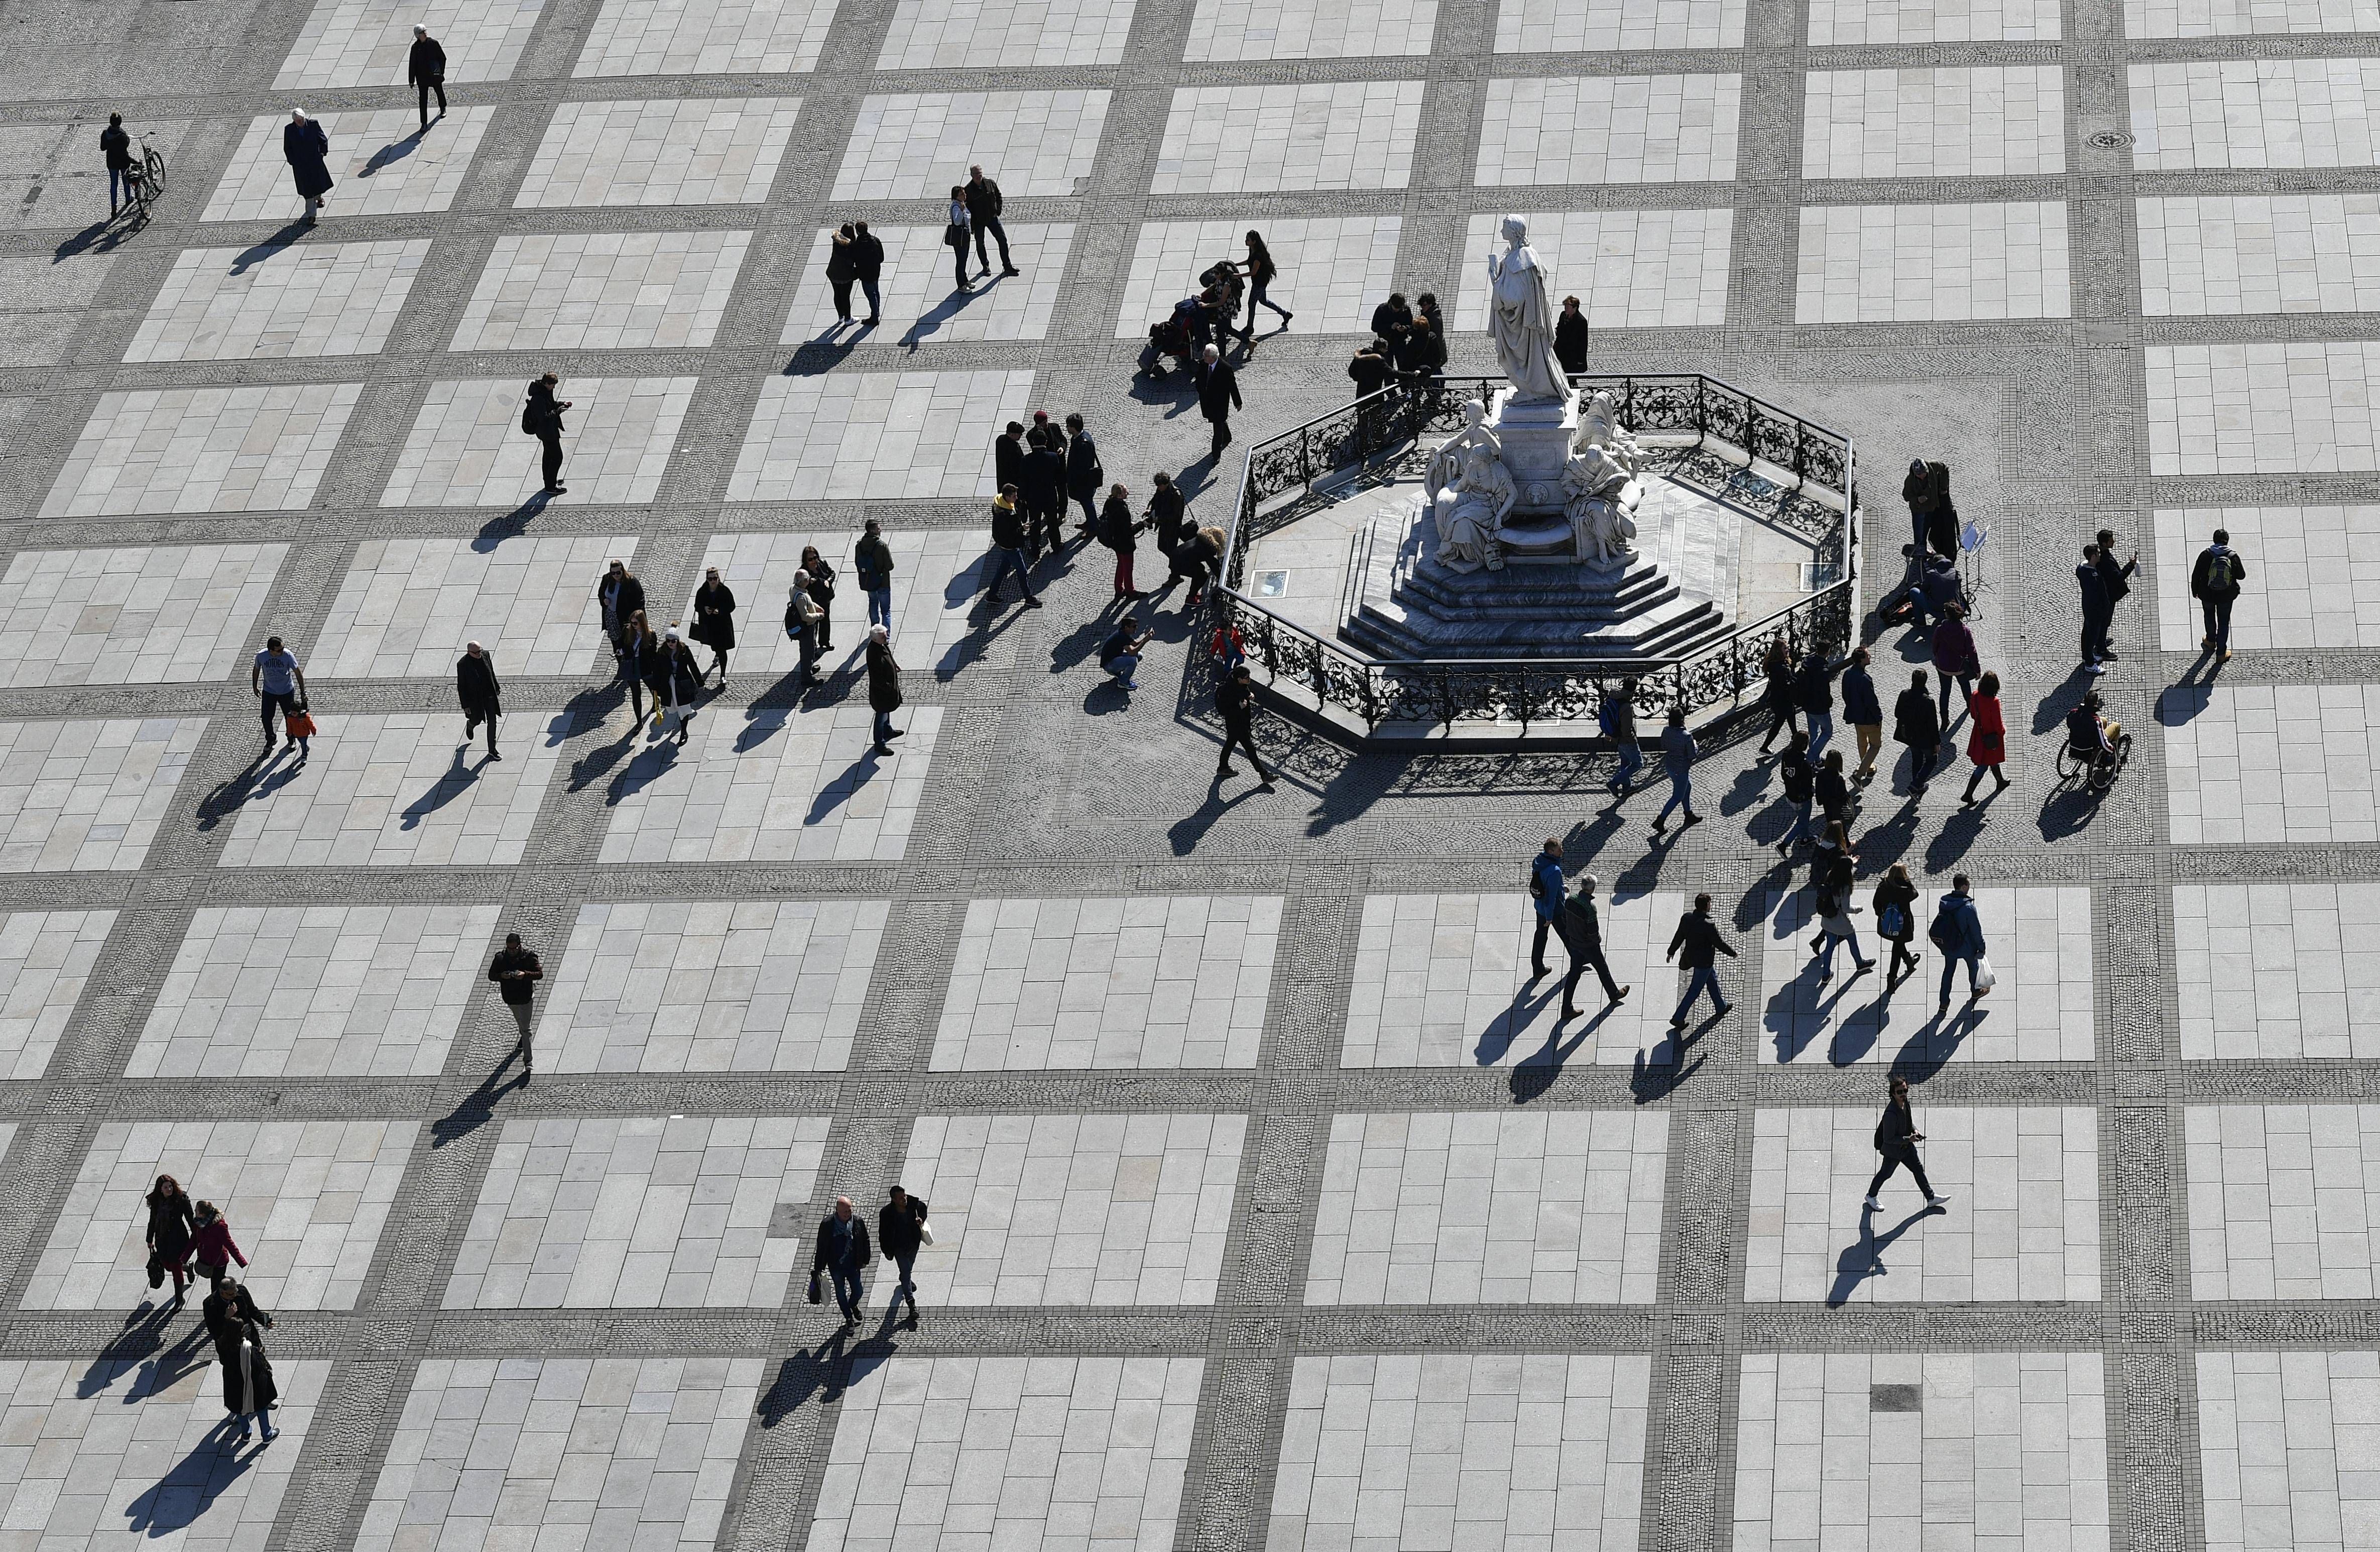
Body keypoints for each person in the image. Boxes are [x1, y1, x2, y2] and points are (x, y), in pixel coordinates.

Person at [1867, 1076, 1950, 1211]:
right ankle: (1871, 1196)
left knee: (1918, 1169)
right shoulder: (1891, 1114)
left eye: (1905, 1090)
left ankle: (1931, 1198)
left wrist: (1915, 1130)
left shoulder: (1905, 1103)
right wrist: (1908, 1139)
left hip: (1907, 1148)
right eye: (1899, 1092)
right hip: (1894, 1152)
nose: (1903, 1094)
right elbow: (1888, 1139)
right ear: (1893, 1094)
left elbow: (1909, 1121)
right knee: (1885, 1174)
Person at [1810, 822, 1874, 982]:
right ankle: (1860, 964)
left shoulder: (1830, 877)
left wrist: (1849, 863)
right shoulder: (1844, 887)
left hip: (1827, 920)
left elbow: (1841, 866)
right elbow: (1846, 908)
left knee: (1830, 946)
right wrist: (1858, 909)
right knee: (1852, 940)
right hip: (1840, 921)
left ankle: (1826, 975)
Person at [1558, 874, 1628, 1017]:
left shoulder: (1570, 900)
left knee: (1574, 975)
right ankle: (1614, 994)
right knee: (1602, 968)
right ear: (1593, 889)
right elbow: (1593, 931)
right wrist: (1598, 940)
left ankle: (1566, 1008)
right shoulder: (1590, 908)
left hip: (1575, 943)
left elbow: (1564, 918)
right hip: (1588, 945)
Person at [1666, 892, 1736, 1027]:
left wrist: (1671, 951)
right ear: (1707, 906)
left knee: (1712, 979)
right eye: (1710, 903)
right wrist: (1732, 953)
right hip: (1704, 962)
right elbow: (1719, 943)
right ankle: (1678, 1017)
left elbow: (1679, 935)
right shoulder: (1708, 925)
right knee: (1695, 990)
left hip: (1693, 957)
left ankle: (1721, 1006)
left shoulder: (1687, 918)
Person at [216, 1298, 280, 1443]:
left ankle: (246, 1434)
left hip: (232, 1382)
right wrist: (260, 1352)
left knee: (239, 1409)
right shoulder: (247, 1347)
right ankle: (267, 1435)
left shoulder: (222, 1343)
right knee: (261, 1407)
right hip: (251, 1381)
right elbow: (257, 1365)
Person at [1928, 873, 1988, 1012]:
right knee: (1973, 967)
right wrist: (1982, 947)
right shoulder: (1969, 908)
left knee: (1948, 971)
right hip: (1966, 946)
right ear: (1964, 886)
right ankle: (1976, 991)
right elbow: (1976, 931)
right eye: (1968, 885)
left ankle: (1944, 1003)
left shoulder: (1944, 902)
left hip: (1949, 945)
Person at [489, 931, 542, 1073]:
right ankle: (523, 1042)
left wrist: (525, 975)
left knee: (526, 1029)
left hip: (526, 998)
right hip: (511, 998)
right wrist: (501, 976)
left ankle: (528, 1060)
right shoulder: (501, 958)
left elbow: (539, 974)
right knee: (521, 1024)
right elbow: (491, 975)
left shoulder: (529, 957)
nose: (511, 951)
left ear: (520, 946)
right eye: (509, 949)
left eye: (514, 949)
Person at [813, 1196, 871, 1324]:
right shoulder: (828, 1225)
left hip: (853, 1264)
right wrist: (818, 1268)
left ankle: (853, 1305)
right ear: (836, 1211)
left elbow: (865, 1240)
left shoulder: (857, 1221)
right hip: (836, 1267)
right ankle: (849, 1317)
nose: (847, 1214)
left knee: (858, 1291)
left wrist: (866, 1259)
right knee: (841, 1291)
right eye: (844, 1212)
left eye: (849, 1211)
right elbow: (821, 1246)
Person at [2192, 527, 2248, 661]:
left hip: (2207, 594)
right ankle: (2221, 654)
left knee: (2209, 615)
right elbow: (2242, 576)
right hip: (2226, 596)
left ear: (2214, 540)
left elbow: (2196, 575)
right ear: (2227, 541)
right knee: (2224, 622)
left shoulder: (2205, 555)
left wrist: (2195, 591)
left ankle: (2210, 641)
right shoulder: (2233, 556)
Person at [145, 1175, 197, 1306]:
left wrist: (197, 1236)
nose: (169, 1189)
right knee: (168, 1266)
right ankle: (187, 1267)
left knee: (175, 1268)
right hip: (162, 1239)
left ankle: (180, 1299)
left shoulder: (181, 1200)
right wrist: (149, 1238)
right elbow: (153, 1221)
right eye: (166, 1187)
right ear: (160, 1189)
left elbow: (190, 1219)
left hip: (178, 1239)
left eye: (170, 1186)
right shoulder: (157, 1201)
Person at [1216, 663, 1271, 787]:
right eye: (1247, 678)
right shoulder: (1228, 691)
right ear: (1239, 679)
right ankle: (1264, 774)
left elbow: (1244, 691)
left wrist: (1249, 694)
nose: (1249, 679)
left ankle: (1223, 767)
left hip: (1242, 722)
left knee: (1230, 743)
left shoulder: (1240, 684)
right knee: (1250, 748)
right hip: (1236, 723)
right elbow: (1225, 709)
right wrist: (1239, 707)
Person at [879, 1185, 928, 1320]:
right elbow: (883, 1234)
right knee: (906, 1271)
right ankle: (911, 1304)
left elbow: (923, 1209)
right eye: (901, 1198)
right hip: (898, 1248)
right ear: (894, 1200)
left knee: (908, 1270)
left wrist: (921, 1219)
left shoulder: (914, 1205)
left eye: (904, 1196)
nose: (904, 1199)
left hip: (913, 1244)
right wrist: (887, 1251)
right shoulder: (886, 1213)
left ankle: (905, 1280)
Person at [987, 485, 1040, 608]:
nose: (1017, 498)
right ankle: (1028, 598)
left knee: (1003, 569)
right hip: (1010, 547)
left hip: (1004, 546)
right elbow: (1009, 533)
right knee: (1022, 571)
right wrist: (1022, 528)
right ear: (1007, 497)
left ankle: (992, 594)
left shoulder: (1001, 505)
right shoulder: (1005, 516)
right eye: (1014, 496)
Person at [1961, 669, 2008, 805]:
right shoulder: (1994, 702)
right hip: (1991, 737)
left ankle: (2000, 782)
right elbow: (1998, 725)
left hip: (1979, 734)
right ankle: (1968, 794)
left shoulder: (1975, 696)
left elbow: (1973, 714)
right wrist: (2003, 732)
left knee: (1991, 760)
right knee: (1983, 765)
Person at [251, 636, 306, 751]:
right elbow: (256, 670)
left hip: (286, 691)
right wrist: (255, 686)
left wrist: (302, 692)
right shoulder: (262, 656)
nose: (282, 651)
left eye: (283, 648)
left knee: (290, 717)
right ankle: (271, 739)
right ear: (271, 651)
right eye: (279, 650)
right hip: (269, 691)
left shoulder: (288, 655)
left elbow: (297, 672)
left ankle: (291, 738)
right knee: (266, 717)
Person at [1651, 706, 1701, 833]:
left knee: (1687, 788)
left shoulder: (1666, 731)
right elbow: (1692, 756)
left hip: (1670, 766)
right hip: (1681, 769)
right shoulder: (1687, 737)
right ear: (1682, 720)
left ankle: (1688, 814)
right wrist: (1695, 745)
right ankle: (1660, 820)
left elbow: (1664, 746)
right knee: (1677, 797)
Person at [1893, 669, 1942, 795]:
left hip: (1910, 736)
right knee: (1932, 760)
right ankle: (1916, 785)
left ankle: (1918, 786)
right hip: (1925, 739)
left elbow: (1897, 713)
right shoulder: (1928, 701)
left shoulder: (1904, 694)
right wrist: (1937, 742)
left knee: (1917, 759)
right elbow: (1933, 724)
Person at [1872, 863, 1921, 986]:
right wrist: (1909, 882)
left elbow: (1876, 904)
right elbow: (1915, 894)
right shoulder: (1905, 888)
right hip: (1902, 924)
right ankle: (1891, 979)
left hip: (1887, 923)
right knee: (1897, 948)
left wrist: (1882, 915)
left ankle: (1909, 962)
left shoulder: (1883, 886)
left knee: (1898, 945)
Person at [965, 164, 1017, 277]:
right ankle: (985, 266)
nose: (979, 176)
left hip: (992, 217)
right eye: (976, 174)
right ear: (971, 175)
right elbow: (968, 209)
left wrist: (998, 210)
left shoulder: (990, 183)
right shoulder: (968, 190)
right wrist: (972, 226)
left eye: (980, 174)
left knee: (1003, 240)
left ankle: (1007, 266)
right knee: (980, 244)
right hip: (978, 222)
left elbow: (998, 196)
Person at [1022, 431, 1068, 557]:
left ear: (1033, 443)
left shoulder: (1026, 460)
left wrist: (1024, 497)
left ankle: (1035, 549)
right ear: (1046, 442)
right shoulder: (1053, 457)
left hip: (1033, 497)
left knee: (1034, 524)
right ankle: (1056, 545)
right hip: (1049, 495)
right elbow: (1059, 477)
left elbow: (1024, 481)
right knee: (1052, 522)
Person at [2093, 528, 2137, 658]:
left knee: (2104, 621)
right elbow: (2118, 577)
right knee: (2105, 621)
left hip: (2105, 593)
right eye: (2111, 540)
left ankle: (2100, 641)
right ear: (2105, 543)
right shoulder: (2105, 560)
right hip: (2108, 596)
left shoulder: (2101, 553)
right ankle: (2101, 649)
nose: (2114, 541)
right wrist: (2131, 565)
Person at [1930, 604, 1976, 727]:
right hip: (1960, 667)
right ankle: (1970, 706)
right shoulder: (1965, 631)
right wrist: (1977, 669)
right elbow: (1972, 651)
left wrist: (1938, 658)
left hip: (1943, 667)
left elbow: (1934, 647)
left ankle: (1945, 720)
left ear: (1948, 615)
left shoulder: (1940, 629)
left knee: (1945, 692)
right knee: (1965, 686)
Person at [1842, 646, 1883, 784]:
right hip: (1869, 719)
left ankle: (1869, 767)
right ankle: (1859, 775)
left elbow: (1845, 695)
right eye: (1867, 656)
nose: (1869, 657)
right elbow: (1871, 701)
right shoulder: (1865, 679)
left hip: (1856, 717)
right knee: (1875, 746)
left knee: (1862, 743)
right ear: (1861, 660)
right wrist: (1878, 717)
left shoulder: (1847, 674)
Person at [283, 108, 332, 223]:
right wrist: (293, 161)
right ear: (294, 120)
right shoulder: (289, 130)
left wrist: (322, 153)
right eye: (297, 121)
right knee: (307, 189)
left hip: (315, 162)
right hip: (301, 165)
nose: (300, 123)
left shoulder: (313, 125)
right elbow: (287, 147)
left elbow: (323, 140)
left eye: (301, 120)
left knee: (318, 184)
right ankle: (311, 215)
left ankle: (318, 198)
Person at [1239, 231, 1291, 338]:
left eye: (1248, 240)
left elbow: (1253, 272)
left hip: (1259, 284)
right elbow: (1249, 261)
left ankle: (1250, 328)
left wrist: (1237, 276)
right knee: (1263, 301)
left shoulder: (1258, 256)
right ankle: (1285, 314)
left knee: (1251, 304)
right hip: (1260, 282)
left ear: (1254, 242)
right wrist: (1235, 264)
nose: (1246, 241)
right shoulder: (1253, 250)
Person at [526, 373, 569, 494]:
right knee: (557, 457)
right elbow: (544, 417)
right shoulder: (538, 398)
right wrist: (558, 411)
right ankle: (551, 486)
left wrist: (561, 404)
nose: (553, 388)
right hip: (547, 432)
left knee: (548, 457)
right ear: (546, 383)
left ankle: (549, 481)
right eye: (552, 385)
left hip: (548, 430)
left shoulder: (545, 391)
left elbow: (550, 405)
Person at [690, 566, 736, 682]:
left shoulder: (724, 590)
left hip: (722, 625)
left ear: (718, 578)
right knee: (715, 646)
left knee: (722, 649)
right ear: (707, 579)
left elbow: (732, 606)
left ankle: (723, 674)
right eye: (710, 579)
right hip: (709, 625)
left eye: (715, 578)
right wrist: (705, 608)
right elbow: (697, 606)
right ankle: (717, 656)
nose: (713, 581)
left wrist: (720, 611)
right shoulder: (702, 591)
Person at [655, 628, 701, 742]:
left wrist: (700, 682)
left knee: (683, 708)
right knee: (673, 707)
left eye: (673, 641)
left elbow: (692, 665)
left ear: (678, 640)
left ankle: (684, 732)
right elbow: (657, 670)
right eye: (668, 641)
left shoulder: (684, 650)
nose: (670, 643)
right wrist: (655, 687)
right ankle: (683, 729)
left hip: (682, 683)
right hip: (669, 683)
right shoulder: (662, 652)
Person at [1528, 838, 1566, 978]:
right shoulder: (1554, 870)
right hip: (1553, 910)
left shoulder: (1540, 861)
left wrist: (1561, 887)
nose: (1562, 851)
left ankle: (1537, 968)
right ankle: (1578, 961)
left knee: (1540, 937)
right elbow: (1551, 897)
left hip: (1539, 907)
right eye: (1559, 849)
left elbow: (1543, 882)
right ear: (1551, 852)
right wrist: (1549, 917)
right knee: (1567, 935)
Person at [456, 641, 500, 758]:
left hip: (489, 695)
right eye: (475, 653)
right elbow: (461, 686)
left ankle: (492, 749)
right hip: (475, 700)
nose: (478, 654)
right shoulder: (463, 664)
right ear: (469, 652)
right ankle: (471, 725)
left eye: (480, 651)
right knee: (476, 719)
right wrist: (465, 706)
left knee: (493, 721)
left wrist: (496, 686)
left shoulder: (486, 655)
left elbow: (491, 671)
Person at [186, 1201, 247, 1286]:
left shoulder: (219, 1226)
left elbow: (230, 1244)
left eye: (197, 1210)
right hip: (207, 1261)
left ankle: (233, 1291)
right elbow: (193, 1241)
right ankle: (230, 1288)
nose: (195, 1211)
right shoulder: (198, 1224)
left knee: (216, 1287)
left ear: (202, 1214)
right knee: (218, 1284)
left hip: (219, 1262)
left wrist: (241, 1261)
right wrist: (184, 1259)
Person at [1197, 344, 1241, 458]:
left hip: (1220, 404)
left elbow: (1233, 386)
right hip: (1208, 402)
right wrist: (1201, 390)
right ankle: (1228, 437)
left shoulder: (1226, 368)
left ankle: (1216, 455)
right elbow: (1199, 379)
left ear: (1213, 357)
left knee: (1217, 430)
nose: (1203, 357)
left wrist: (1238, 403)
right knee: (1221, 422)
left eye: (1205, 355)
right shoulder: (1204, 364)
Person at [1099, 483, 1142, 599]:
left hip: (1115, 541)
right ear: (1119, 495)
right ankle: (1130, 591)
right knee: (1128, 567)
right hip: (1125, 544)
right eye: (1125, 492)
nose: (1127, 493)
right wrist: (1142, 524)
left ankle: (1119, 590)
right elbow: (1128, 532)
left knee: (1121, 564)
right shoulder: (1122, 510)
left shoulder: (1109, 503)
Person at [866, 625, 903, 753]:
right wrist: (888, 688)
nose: (886, 638)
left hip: (887, 691)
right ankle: (879, 745)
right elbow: (877, 678)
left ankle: (888, 731)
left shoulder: (881, 644)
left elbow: (888, 654)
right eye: (883, 636)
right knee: (881, 715)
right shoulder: (874, 653)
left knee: (886, 711)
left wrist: (894, 664)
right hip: (881, 693)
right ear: (875, 639)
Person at [1065, 414, 1105, 535]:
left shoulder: (1083, 443)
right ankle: (1090, 522)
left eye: (1068, 426)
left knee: (1088, 503)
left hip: (1084, 482)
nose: (1067, 428)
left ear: (1074, 427)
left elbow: (1083, 467)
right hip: (1082, 481)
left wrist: (1074, 480)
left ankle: (1093, 528)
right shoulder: (1078, 437)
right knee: (1086, 503)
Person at [1756, 637, 1797, 753]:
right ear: (1779, 651)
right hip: (1782, 700)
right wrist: (1795, 681)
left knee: (1791, 715)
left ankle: (1795, 737)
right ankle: (1764, 747)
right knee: (1779, 722)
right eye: (1785, 648)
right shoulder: (1782, 668)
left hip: (1779, 699)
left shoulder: (1775, 664)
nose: (1788, 650)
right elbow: (1786, 685)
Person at [1777, 731, 1816, 853]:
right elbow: (1808, 782)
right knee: (1802, 822)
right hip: (1802, 798)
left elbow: (1784, 773)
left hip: (1790, 793)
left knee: (1802, 818)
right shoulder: (1804, 763)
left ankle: (1805, 838)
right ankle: (1783, 845)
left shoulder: (1786, 754)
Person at [1600, 682, 1642, 795]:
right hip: (1626, 740)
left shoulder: (1613, 696)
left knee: (1625, 762)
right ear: (1633, 691)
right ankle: (1614, 783)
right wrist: (1633, 741)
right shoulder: (1627, 706)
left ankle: (1627, 788)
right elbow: (1627, 729)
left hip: (1615, 737)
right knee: (1638, 764)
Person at [598, 560, 645, 659]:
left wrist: (638, 620)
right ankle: (621, 664)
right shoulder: (607, 579)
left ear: (623, 571)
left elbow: (639, 601)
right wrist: (604, 600)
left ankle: (631, 664)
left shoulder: (631, 582)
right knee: (616, 644)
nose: (616, 575)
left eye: (618, 572)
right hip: (612, 618)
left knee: (628, 642)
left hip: (626, 619)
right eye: (613, 573)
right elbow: (601, 593)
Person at [1793, 651, 1838, 754]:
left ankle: (1815, 760)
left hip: (1808, 706)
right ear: (1828, 652)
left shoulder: (1807, 665)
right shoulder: (1823, 671)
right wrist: (1829, 703)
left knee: (1813, 734)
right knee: (1827, 732)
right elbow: (1825, 692)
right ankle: (1811, 757)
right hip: (1820, 708)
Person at [855, 518, 896, 630]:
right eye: (878, 528)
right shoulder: (882, 546)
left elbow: (857, 563)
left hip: (868, 581)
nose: (880, 530)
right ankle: (885, 636)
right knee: (886, 610)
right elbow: (890, 566)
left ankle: (875, 630)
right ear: (873, 531)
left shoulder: (859, 545)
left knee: (873, 603)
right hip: (883, 582)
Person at [618, 610, 658, 724]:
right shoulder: (627, 631)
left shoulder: (650, 635)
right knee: (636, 694)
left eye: (635, 623)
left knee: (652, 687)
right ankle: (639, 721)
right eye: (632, 623)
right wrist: (620, 651)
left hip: (645, 666)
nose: (633, 625)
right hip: (632, 666)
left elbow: (653, 654)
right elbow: (621, 643)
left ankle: (656, 702)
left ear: (642, 622)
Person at [2076, 542, 2111, 673]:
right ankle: (2090, 664)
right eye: (2098, 554)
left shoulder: (2082, 568)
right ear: (2093, 556)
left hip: (2089, 608)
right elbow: (2096, 595)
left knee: (2087, 632)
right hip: (2094, 610)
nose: (2100, 555)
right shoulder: (2091, 576)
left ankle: (2088, 656)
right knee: (2091, 635)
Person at [785, 578, 824, 687]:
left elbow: (808, 603)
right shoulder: (801, 597)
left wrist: (816, 606)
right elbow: (806, 616)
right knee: (807, 652)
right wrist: (818, 616)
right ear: (803, 582)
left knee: (810, 649)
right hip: (807, 628)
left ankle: (809, 669)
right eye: (807, 579)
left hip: (807, 628)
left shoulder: (794, 589)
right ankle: (807, 678)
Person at [798, 545, 837, 652]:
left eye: (815, 558)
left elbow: (832, 573)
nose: (814, 561)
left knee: (826, 621)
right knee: (813, 626)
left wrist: (829, 581)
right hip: (814, 602)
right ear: (806, 560)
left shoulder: (822, 563)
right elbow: (799, 586)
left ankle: (825, 642)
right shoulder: (803, 572)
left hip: (825, 598)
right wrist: (809, 581)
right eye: (810, 559)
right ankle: (813, 648)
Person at [1175, 525, 1224, 610]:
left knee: (1199, 571)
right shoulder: (1207, 547)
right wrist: (1221, 578)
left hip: (1177, 558)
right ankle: (1191, 598)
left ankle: (1193, 593)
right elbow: (1212, 564)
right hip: (1179, 564)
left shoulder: (1201, 539)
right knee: (1202, 575)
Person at [1100, 614, 1152, 692]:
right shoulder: (1122, 636)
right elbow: (1132, 652)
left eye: (1136, 626)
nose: (1136, 628)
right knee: (1133, 660)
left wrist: (1146, 637)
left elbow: (1135, 644)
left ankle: (1117, 672)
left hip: (1114, 659)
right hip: (1108, 664)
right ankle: (1123, 682)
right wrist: (1145, 641)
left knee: (1139, 655)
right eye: (1134, 626)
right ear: (1127, 627)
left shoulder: (1124, 633)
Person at [409, 25, 447, 127]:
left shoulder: (433, 43)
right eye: (422, 32)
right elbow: (412, 65)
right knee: (423, 100)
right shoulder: (415, 48)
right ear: (418, 35)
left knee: (439, 91)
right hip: (422, 77)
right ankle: (424, 123)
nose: (425, 33)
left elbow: (442, 58)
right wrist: (411, 80)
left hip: (434, 75)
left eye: (425, 31)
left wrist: (441, 72)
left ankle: (443, 107)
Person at [1147, 472, 1189, 562]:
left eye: (1160, 486)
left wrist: (1159, 519)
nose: (1158, 488)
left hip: (1173, 528)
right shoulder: (1161, 490)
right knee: (1162, 547)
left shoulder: (1176, 495)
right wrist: (1149, 509)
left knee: (1171, 550)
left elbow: (1176, 516)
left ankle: (1177, 567)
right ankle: (1178, 563)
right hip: (1164, 525)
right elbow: (1154, 500)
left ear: (1166, 484)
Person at [851, 219, 884, 325]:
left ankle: (875, 317)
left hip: (865, 274)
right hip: (875, 271)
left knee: (871, 295)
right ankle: (877, 312)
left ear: (858, 232)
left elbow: (855, 260)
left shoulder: (857, 245)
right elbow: (882, 258)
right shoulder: (875, 240)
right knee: (876, 291)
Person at [826, 223, 860, 323]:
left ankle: (841, 316)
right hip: (846, 275)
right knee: (846, 296)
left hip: (833, 272)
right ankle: (848, 319)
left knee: (837, 294)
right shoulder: (850, 246)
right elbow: (851, 261)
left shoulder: (836, 242)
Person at [100, 113, 133, 216]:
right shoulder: (122, 135)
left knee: (114, 184)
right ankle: (128, 199)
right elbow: (126, 145)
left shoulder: (105, 134)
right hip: (123, 161)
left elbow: (103, 148)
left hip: (112, 162)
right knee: (126, 181)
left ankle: (114, 208)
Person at [1815, 749, 1853, 836]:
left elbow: (1818, 789)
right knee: (1840, 825)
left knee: (1830, 821)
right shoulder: (1838, 778)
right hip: (1837, 805)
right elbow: (1843, 795)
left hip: (1826, 803)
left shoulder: (1821, 773)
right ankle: (1845, 843)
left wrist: (1820, 800)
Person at [1554, 296, 1589, 376]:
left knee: (1571, 378)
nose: (1566, 308)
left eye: (1568, 307)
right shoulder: (1563, 315)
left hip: (1572, 356)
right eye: (1565, 306)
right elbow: (1559, 328)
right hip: (1560, 353)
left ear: (1575, 308)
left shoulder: (1581, 321)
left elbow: (1583, 342)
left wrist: (1581, 360)